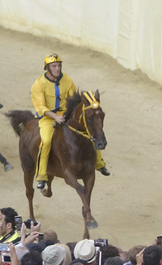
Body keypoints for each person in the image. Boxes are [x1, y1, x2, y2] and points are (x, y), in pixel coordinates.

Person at [30, 53, 108, 191]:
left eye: (59, 65)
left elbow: (74, 98)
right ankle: (42, 175)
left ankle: (99, 163)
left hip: (65, 115)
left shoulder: (67, 79)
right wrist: (55, 117)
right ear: (47, 68)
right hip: (48, 118)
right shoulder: (38, 84)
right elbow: (41, 108)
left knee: (88, 132)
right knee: (46, 141)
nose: (58, 68)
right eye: (54, 66)